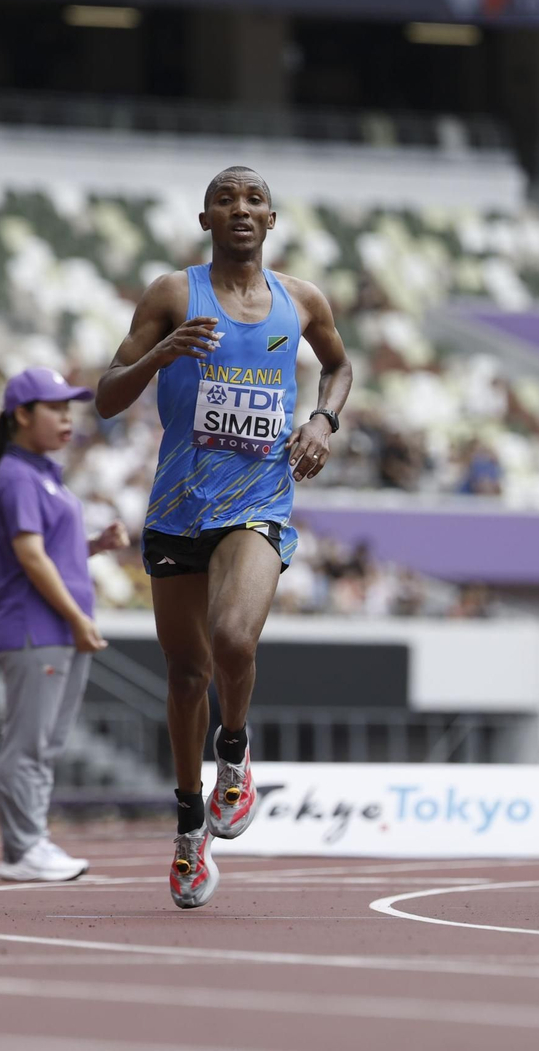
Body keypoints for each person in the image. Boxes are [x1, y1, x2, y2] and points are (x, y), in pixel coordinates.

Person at [95, 166, 353, 909]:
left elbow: (338, 368)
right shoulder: (174, 295)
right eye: (224, 199)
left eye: (253, 200)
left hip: (259, 500)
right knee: (184, 676)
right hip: (178, 506)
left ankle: (233, 755)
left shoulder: (301, 301)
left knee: (233, 639)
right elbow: (107, 397)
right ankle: (186, 833)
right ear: (205, 218)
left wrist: (322, 420)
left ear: (272, 220)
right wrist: (160, 355)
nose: (240, 208)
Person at [0, 367, 130, 882]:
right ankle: (23, 848)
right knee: (27, 741)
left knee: (45, 742)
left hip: (57, 628)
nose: (67, 419)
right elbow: (29, 556)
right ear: (22, 416)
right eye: (55, 409)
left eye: (69, 409)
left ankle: (33, 842)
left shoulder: (45, 476)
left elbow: (47, 550)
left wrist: (95, 545)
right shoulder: (17, 476)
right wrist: (76, 617)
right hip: (36, 627)